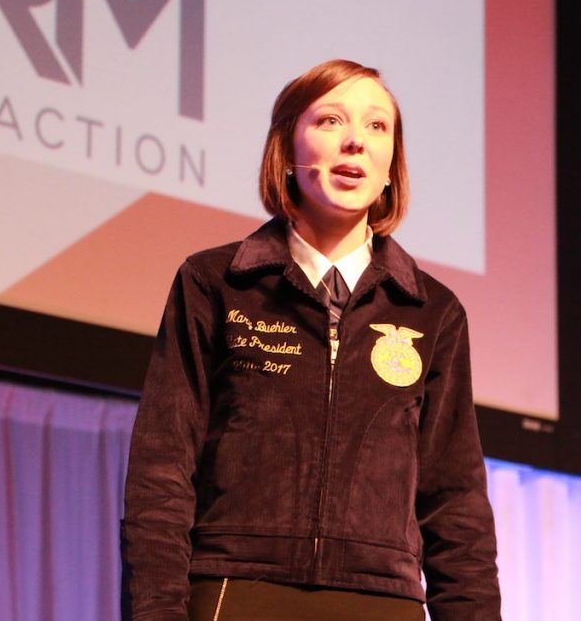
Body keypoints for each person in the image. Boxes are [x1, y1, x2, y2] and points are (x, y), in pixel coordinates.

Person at [123, 59, 501, 620]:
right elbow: (162, 472)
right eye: (330, 120)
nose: (355, 141)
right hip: (236, 590)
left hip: (383, 603)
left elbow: (456, 504)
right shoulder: (215, 283)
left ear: (391, 167)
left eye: (377, 126)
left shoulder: (432, 311)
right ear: (286, 151)